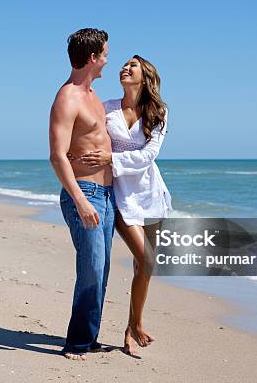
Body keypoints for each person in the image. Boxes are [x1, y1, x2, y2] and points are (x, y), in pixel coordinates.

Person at [71, 55, 172, 356]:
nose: (125, 68)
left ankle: (131, 326)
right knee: (148, 259)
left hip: (151, 194)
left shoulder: (159, 112)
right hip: (120, 194)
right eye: (124, 65)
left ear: (146, 76)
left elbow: (148, 156)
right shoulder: (107, 108)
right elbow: (91, 137)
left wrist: (110, 159)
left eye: (133, 66)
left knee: (144, 266)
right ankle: (136, 325)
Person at [48, 28, 116, 360]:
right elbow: (57, 155)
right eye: (104, 53)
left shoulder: (94, 97)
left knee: (101, 269)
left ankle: (89, 337)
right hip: (85, 193)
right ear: (92, 58)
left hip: (106, 194)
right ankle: (76, 343)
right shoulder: (68, 97)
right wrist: (79, 199)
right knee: (91, 267)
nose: (107, 59)